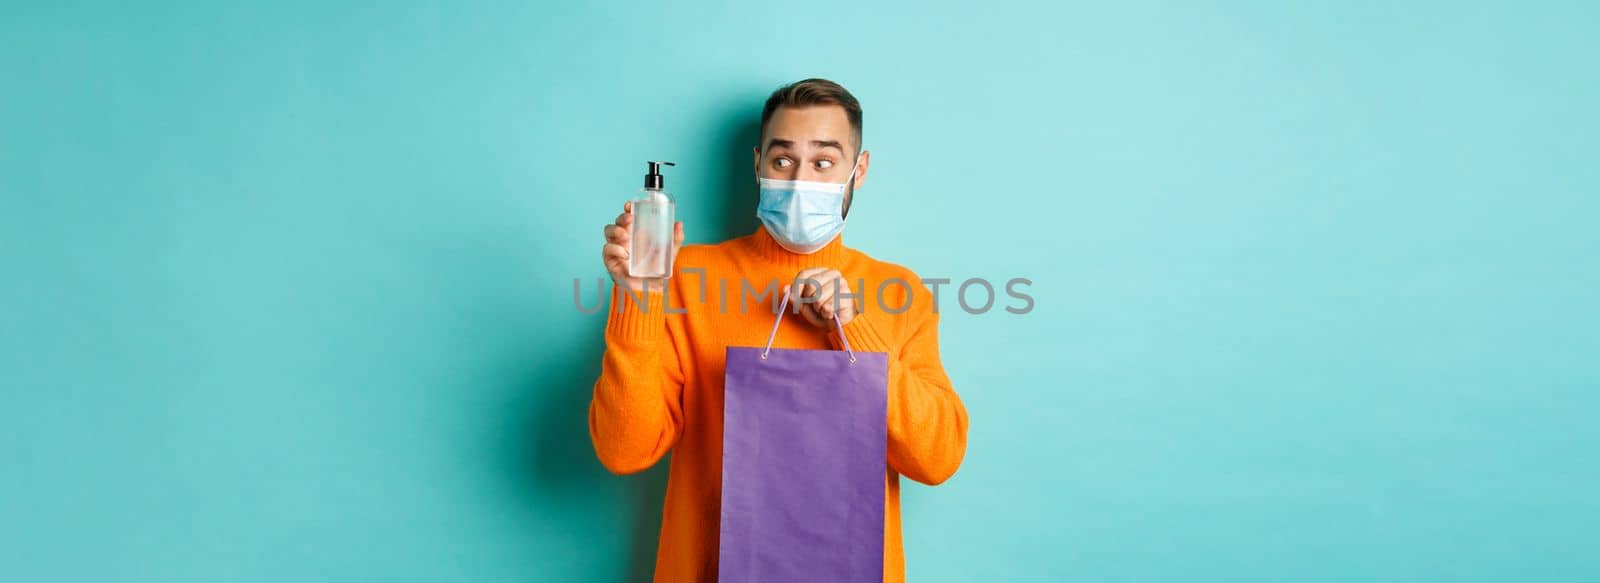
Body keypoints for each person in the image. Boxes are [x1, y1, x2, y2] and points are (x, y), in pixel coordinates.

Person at [590, 78, 969, 583]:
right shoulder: (681, 276)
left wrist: (853, 329)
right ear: (757, 164)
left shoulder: (899, 292)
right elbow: (625, 450)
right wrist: (638, 297)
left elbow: (936, 458)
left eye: (824, 162)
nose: (800, 180)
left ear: (859, 170)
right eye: (783, 160)